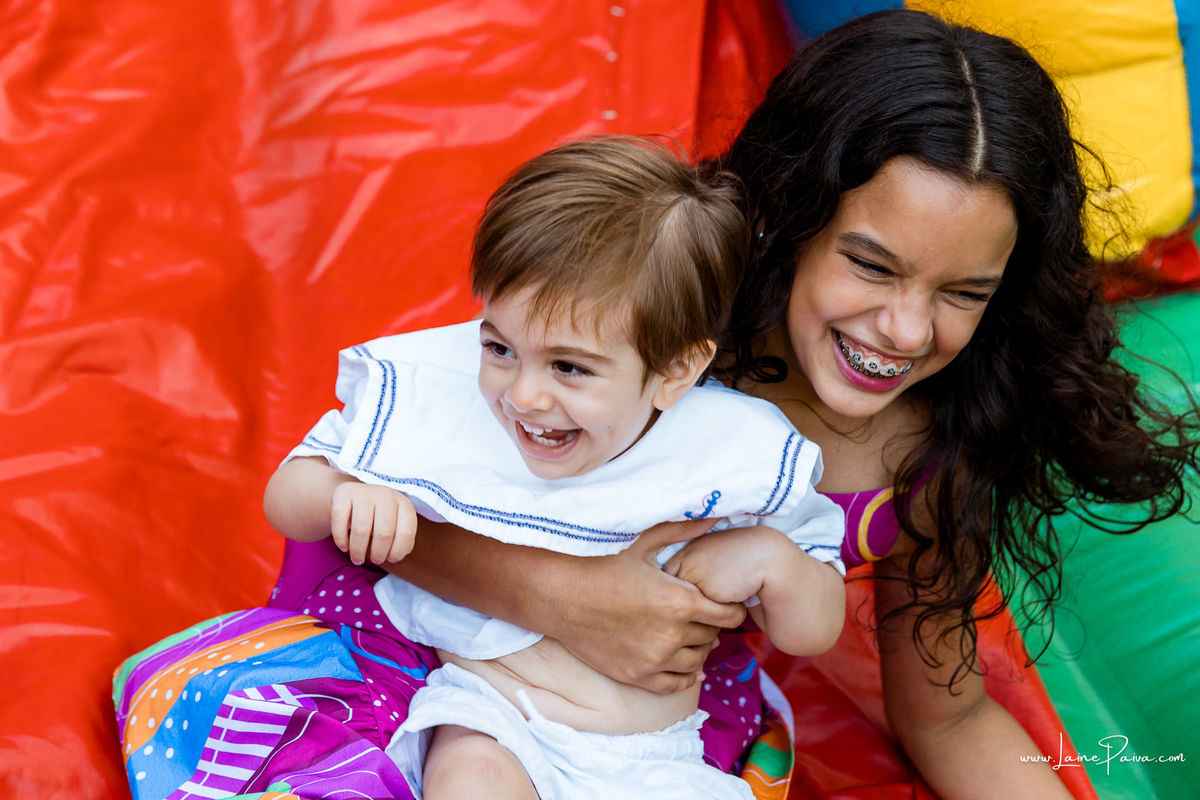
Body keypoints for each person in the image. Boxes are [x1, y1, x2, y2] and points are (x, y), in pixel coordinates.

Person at [114, 9, 1199, 800]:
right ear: (793, 217)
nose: (906, 330)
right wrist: (570, 593)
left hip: (646, 737)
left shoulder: (935, 441)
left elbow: (948, 707)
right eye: (870, 264)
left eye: (962, 292)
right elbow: (400, 498)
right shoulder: (660, 339)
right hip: (443, 670)